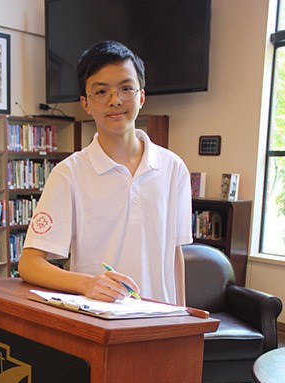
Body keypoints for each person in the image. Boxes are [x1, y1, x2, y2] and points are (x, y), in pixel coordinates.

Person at [19, 40, 192, 305]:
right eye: (101, 92)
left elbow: (175, 253)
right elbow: (30, 264)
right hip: (98, 320)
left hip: (159, 320)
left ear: (141, 96)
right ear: (86, 103)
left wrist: (182, 317)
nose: (115, 100)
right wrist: (86, 284)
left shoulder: (173, 168)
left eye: (126, 88)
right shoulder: (69, 174)